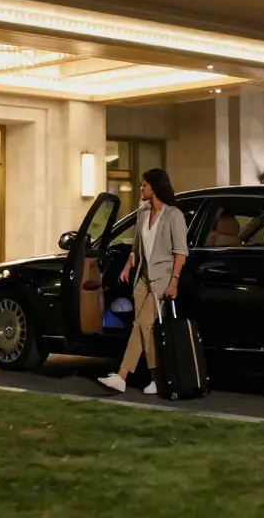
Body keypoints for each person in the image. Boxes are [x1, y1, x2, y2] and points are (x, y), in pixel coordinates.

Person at [98, 168, 188, 395]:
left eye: (144, 184)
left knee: (143, 324)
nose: (141, 188)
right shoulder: (143, 212)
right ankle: (156, 379)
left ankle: (121, 376)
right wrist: (128, 266)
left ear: (154, 187)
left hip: (162, 279)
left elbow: (180, 253)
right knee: (142, 328)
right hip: (144, 278)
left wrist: (174, 282)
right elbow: (136, 246)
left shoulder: (174, 215)